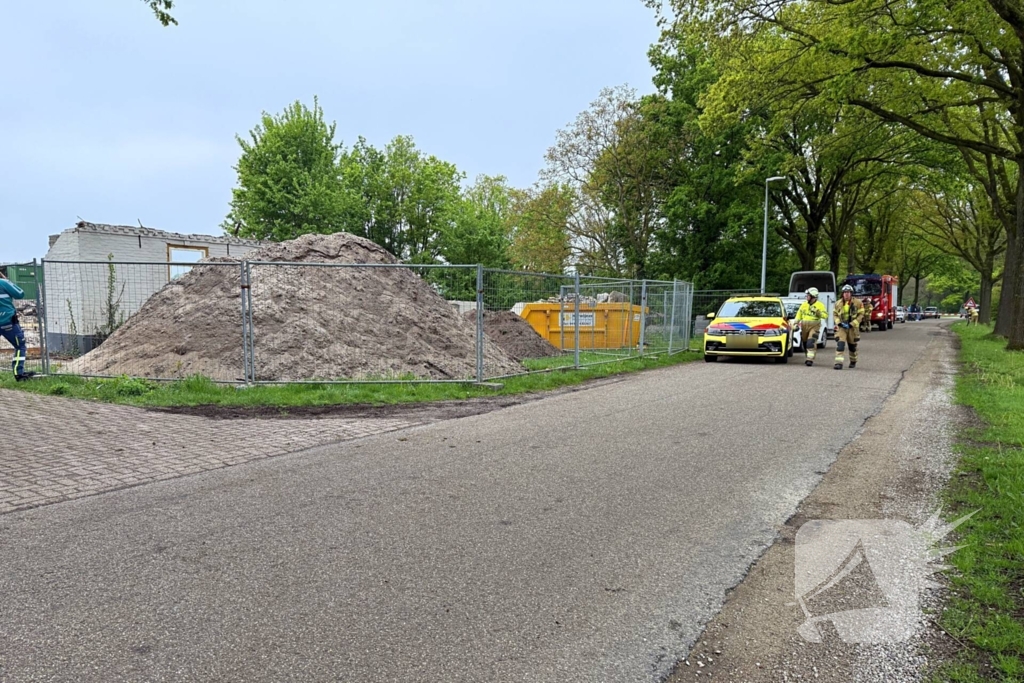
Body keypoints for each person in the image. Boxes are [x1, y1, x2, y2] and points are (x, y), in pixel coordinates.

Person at [0, 270, 34, 381]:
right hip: (8, 322)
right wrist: (8, 281)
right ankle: (18, 373)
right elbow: (20, 294)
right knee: (20, 346)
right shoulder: (3, 283)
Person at [794, 287, 829, 367]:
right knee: (805, 342)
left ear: (813, 296)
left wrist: (819, 313)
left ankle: (810, 359)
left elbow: (825, 315)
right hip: (804, 325)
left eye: (808, 295)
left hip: (815, 325)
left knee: (811, 342)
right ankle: (808, 356)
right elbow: (799, 314)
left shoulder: (820, 305)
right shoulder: (804, 304)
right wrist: (796, 323)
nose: (807, 297)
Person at [834, 284, 864, 370]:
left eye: (848, 292)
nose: (846, 294)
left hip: (852, 328)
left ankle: (853, 361)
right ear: (842, 293)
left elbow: (861, 315)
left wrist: (852, 323)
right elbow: (835, 314)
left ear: (851, 293)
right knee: (840, 345)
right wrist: (838, 323)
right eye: (845, 292)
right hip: (842, 327)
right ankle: (838, 363)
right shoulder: (838, 303)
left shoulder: (858, 303)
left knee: (852, 347)